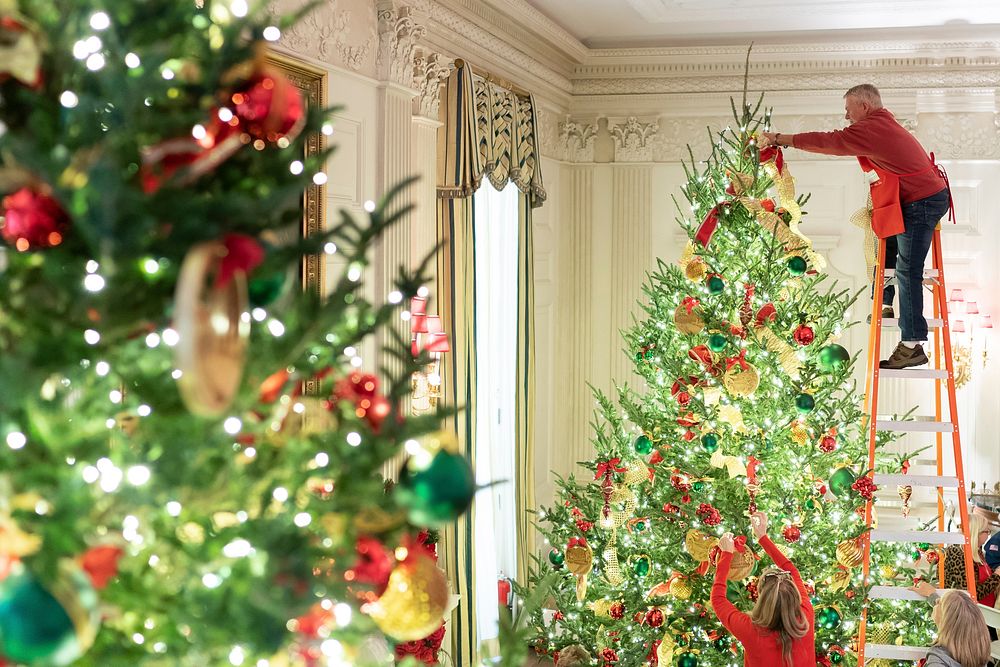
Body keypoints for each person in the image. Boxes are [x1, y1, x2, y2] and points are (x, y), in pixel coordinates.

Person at [759, 83, 951, 370]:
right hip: (915, 198)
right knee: (888, 247)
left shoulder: (873, 128)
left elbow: (829, 142)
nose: (846, 117)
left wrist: (779, 138)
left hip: (922, 201)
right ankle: (885, 301)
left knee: (907, 269)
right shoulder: (882, 124)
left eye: (849, 109)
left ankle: (912, 344)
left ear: (864, 106)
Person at [711, 511, 815, 666]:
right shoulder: (806, 616)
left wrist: (727, 554)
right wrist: (763, 538)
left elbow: (717, 599)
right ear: (796, 597)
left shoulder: (750, 630)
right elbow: (792, 570)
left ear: (761, 598)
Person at [908, 584, 991, 667]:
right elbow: (957, 613)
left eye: (940, 603)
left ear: (947, 620)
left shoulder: (938, 659)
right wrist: (931, 594)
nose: (937, 601)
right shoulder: (977, 647)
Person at [941, 513, 1000, 608]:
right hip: (971, 616)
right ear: (977, 532)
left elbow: (984, 575)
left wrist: (995, 573)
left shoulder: (976, 551)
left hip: (984, 612)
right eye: (987, 532)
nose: (988, 535)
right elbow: (971, 594)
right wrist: (996, 577)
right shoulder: (958, 554)